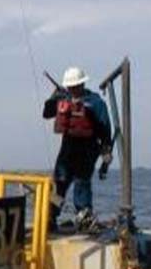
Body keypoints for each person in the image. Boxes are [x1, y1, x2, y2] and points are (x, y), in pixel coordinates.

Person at [43, 67, 112, 231]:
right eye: (69, 86)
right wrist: (54, 98)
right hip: (67, 151)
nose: (72, 89)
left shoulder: (96, 103)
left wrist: (106, 154)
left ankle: (84, 218)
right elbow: (46, 113)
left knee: (82, 184)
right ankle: (50, 218)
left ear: (82, 84)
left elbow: (105, 130)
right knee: (59, 185)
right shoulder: (63, 99)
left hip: (87, 151)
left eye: (75, 86)